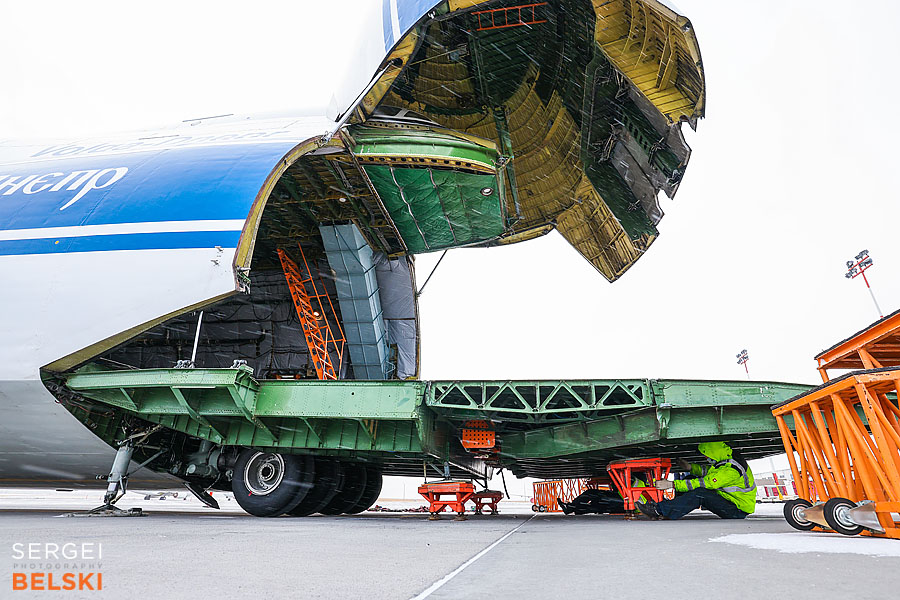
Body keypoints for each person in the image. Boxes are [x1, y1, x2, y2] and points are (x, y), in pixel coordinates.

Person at [637, 442, 756, 520]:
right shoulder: (727, 461)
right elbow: (708, 472)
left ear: (713, 453)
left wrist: (671, 484)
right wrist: (690, 468)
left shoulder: (731, 471)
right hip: (731, 501)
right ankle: (670, 508)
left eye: (706, 456)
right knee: (690, 479)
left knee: (700, 494)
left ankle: (659, 511)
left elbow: (705, 483)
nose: (706, 459)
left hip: (736, 511)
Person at [557, 477, 647, 515]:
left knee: (594, 496)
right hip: (628, 502)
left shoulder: (637, 479)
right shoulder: (643, 479)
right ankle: (573, 509)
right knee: (598, 505)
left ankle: (571, 508)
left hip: (629, 502)